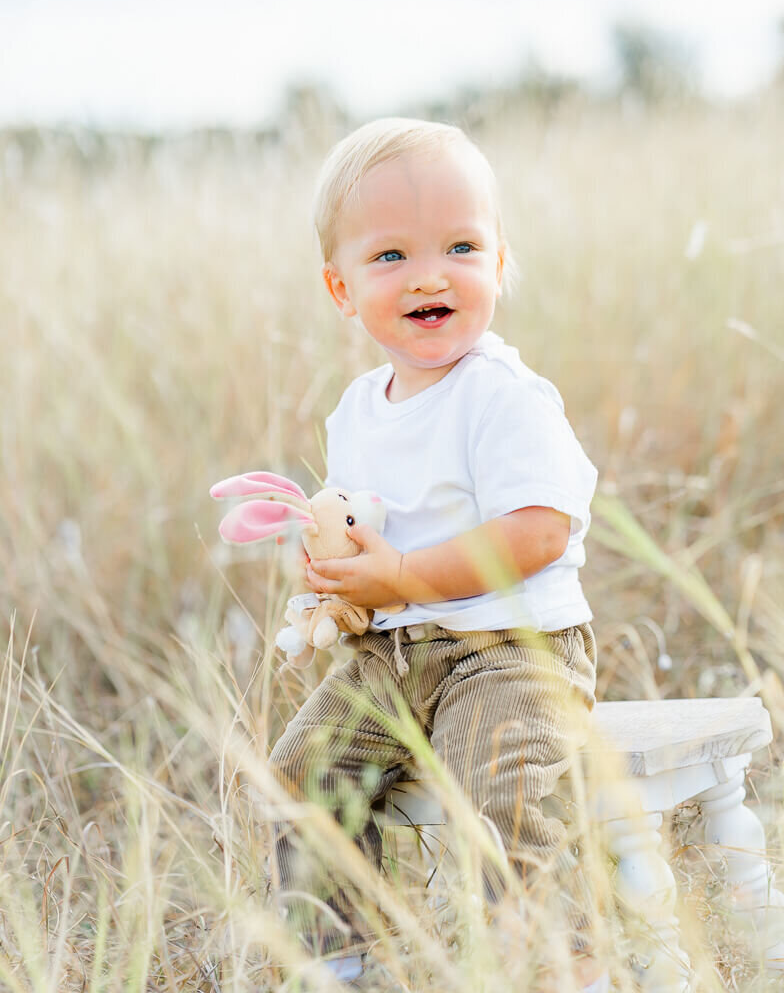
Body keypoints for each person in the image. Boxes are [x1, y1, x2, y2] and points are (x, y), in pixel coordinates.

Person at [269, 118, 606, 991]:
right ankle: (343, 957)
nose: (429, 274)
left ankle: (517, 960)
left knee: (494, 787)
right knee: (305, 766)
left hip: (510, 651)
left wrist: (407, 577)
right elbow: (373, 528)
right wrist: (341, 576)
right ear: (341, 289)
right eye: (391, 257)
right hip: (396, 650)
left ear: (497, 264)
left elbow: (539, 533)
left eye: (461, 246)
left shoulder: (504, 399)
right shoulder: (357, 410)